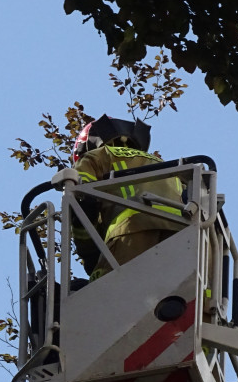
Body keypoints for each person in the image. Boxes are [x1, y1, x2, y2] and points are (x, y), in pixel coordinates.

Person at [70, 115, 183, 278]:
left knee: (105, 288)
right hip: (179, 232)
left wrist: (89, 256)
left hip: (130, 231)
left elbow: (83, 200)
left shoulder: (97, 157)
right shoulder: (165, 165)